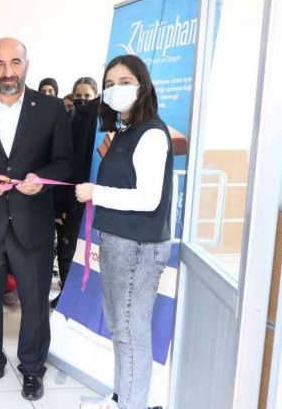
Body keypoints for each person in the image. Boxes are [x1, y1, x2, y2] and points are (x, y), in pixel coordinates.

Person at [0, 37, 73, 401]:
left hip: (32, 223)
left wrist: (43, 178)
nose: (8, 72)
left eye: (15, 62)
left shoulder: (52, 109)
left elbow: (65, 162)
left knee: (35, 302)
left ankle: (32, 368)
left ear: (26, 65)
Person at [76, 54, 173, 409]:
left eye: (125, 82)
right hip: (119, 242)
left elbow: (148, 199)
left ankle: (131, 403)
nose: (116, 89)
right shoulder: (126, 131)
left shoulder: (151, 133)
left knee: (131, 331)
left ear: (142, 85)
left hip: (138, 246)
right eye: (110, 84)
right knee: (120, 327)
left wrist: (95, 192)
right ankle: (122, 396)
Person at [52, 76, 100, 308]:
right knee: (66, 248)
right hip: (71, 199)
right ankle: (66, 293)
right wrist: (60, 204)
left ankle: (83, 299)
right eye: (78, 96)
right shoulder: (70, 121)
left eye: (87, 96)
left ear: (96, 96)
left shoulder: (103, 123)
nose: (82, 101)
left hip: (96, 197)